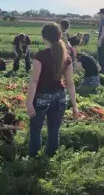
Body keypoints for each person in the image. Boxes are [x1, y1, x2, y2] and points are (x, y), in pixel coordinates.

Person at [26, 22, 78, 157]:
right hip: (60, 98)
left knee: (36, 130)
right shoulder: (66, 57)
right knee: (54, 131)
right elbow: (70, 83)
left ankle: (34, 160)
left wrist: (29, 102)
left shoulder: (40, 56)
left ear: (44, 37)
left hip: (42, 99)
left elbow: (34, 81)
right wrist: (74, 106)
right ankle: (50, 159)